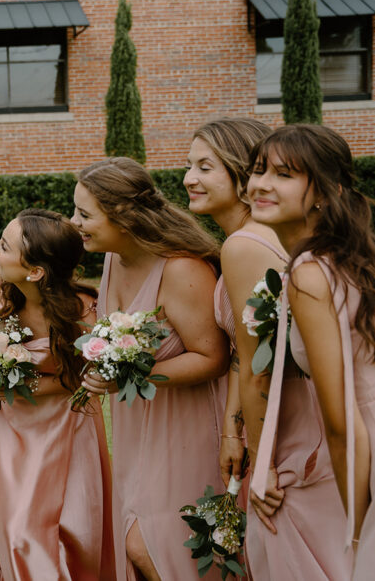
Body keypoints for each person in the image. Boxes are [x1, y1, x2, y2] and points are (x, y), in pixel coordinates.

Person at [248, 123, 375, 580]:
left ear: (325, 192)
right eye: (259, 169)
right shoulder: (361, 257)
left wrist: (358, 528)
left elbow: (344, 426)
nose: (261, 184)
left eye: (284, 174)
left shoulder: (310, 273)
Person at [186, 118, 352, 579]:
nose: (189, 179)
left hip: (292, 422)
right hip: (285, 412)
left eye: (205, 166)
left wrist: (262, 461)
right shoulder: (254, 238)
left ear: (240, 175)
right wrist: (231, 430)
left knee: (295, 553)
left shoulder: (243, 246)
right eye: (188, 165)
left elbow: (261, 366)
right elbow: (248, 350)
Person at [73, 157, 229, 581]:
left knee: (152, 547)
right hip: (135, 425)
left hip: (184, 426)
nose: (75, 223)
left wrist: (130, 376)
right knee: (135, 540)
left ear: (123, 217)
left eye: (85, 214)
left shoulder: (181, 270)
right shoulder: (113, 259)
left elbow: (212, 357)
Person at [0, 209, 114, 581]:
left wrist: (20, 385)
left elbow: (88, 376)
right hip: (15, 430)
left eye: (4, 246)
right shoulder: (7, 298)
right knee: (14, 529)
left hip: (67, 428)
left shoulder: (82, 309)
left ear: (36, 271)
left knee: (74, 528)